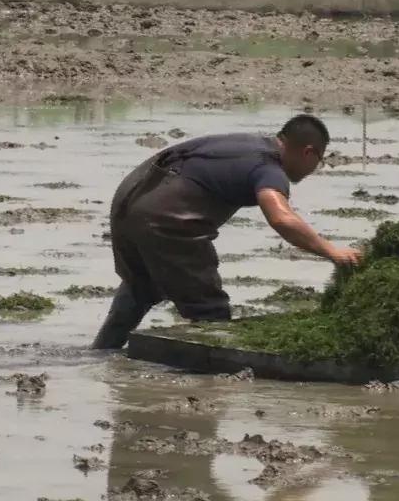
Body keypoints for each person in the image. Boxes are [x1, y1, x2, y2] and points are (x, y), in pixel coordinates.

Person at [91, 114, 361, 349]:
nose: (313, 170)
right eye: (319, 161)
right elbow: (282, 219)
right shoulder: (270, 167)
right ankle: (213, 384)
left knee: (140, 289)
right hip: (168, 219)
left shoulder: (247, 145)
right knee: (211, 314)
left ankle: (101, 353)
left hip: (129, 201)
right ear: (309, 153)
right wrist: (333, 252)